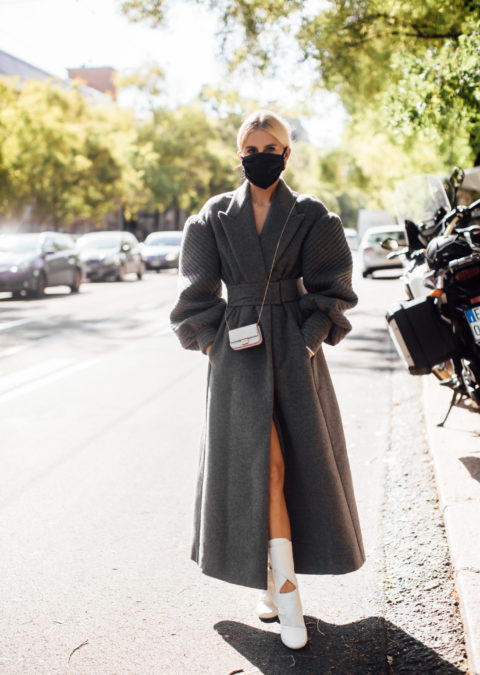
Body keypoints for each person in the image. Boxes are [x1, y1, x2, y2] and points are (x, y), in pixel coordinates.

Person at [170, 110, 365, 650]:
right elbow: (194, 295)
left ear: (287, 153)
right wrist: (213, 345)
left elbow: (334, 289)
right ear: (240, 154)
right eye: (251, 147)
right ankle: (285, 593)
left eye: (271, 146)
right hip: (237, 353)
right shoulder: (212, 218)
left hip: (294, 355)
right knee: (264, 469)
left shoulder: (310, 215)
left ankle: (275, 584)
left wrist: (306, 340)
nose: (261, 156)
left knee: (289, 468)